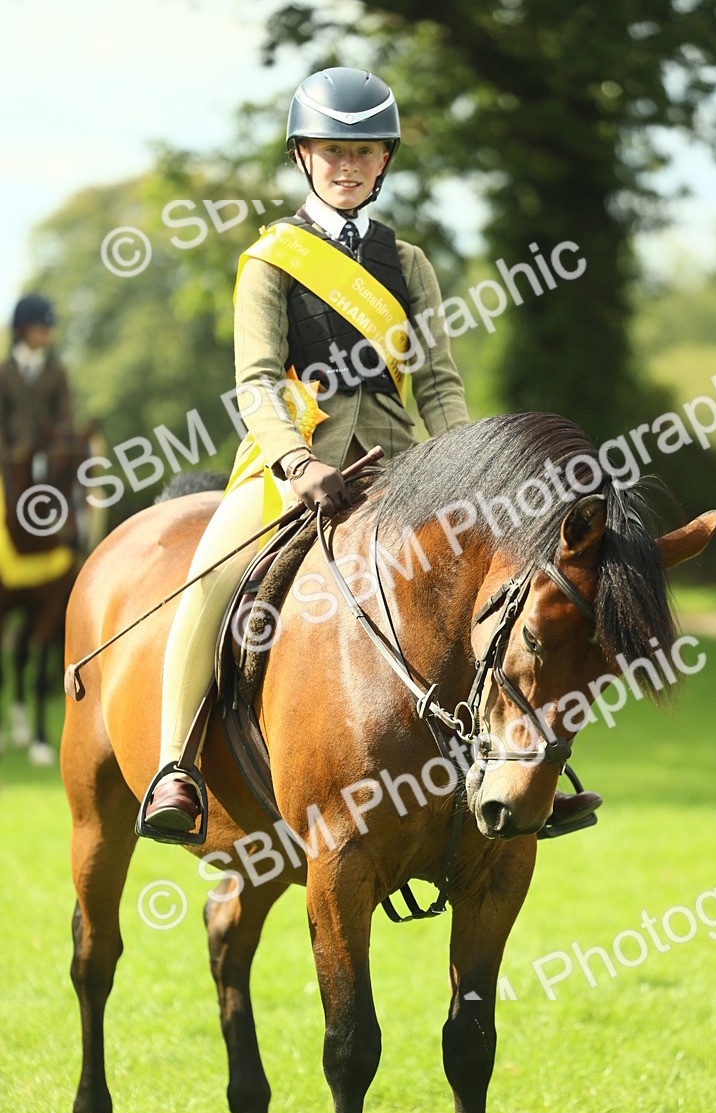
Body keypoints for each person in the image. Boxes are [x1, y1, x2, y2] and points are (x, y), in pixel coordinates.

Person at [141, 67, 600, 840]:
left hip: (403, 469)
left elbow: (440, 383)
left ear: (383, 161)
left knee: (504, 588)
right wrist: (295, 463)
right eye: (330, 151)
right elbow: (254, 382)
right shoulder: (268, 262)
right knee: (208, 581)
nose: (346, 165)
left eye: (363, 152)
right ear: (302, 158)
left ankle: (522, 768)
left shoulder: (409, 263)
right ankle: (174, 768)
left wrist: (468, 469)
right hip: (292, 469)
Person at [0, 294, 73, 462]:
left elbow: (66, 416)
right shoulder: (4, 372)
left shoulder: (57, 371)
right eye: (42, 329)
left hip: (51, 458)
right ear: (24, 330)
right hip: (11, 459)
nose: (49, 334)